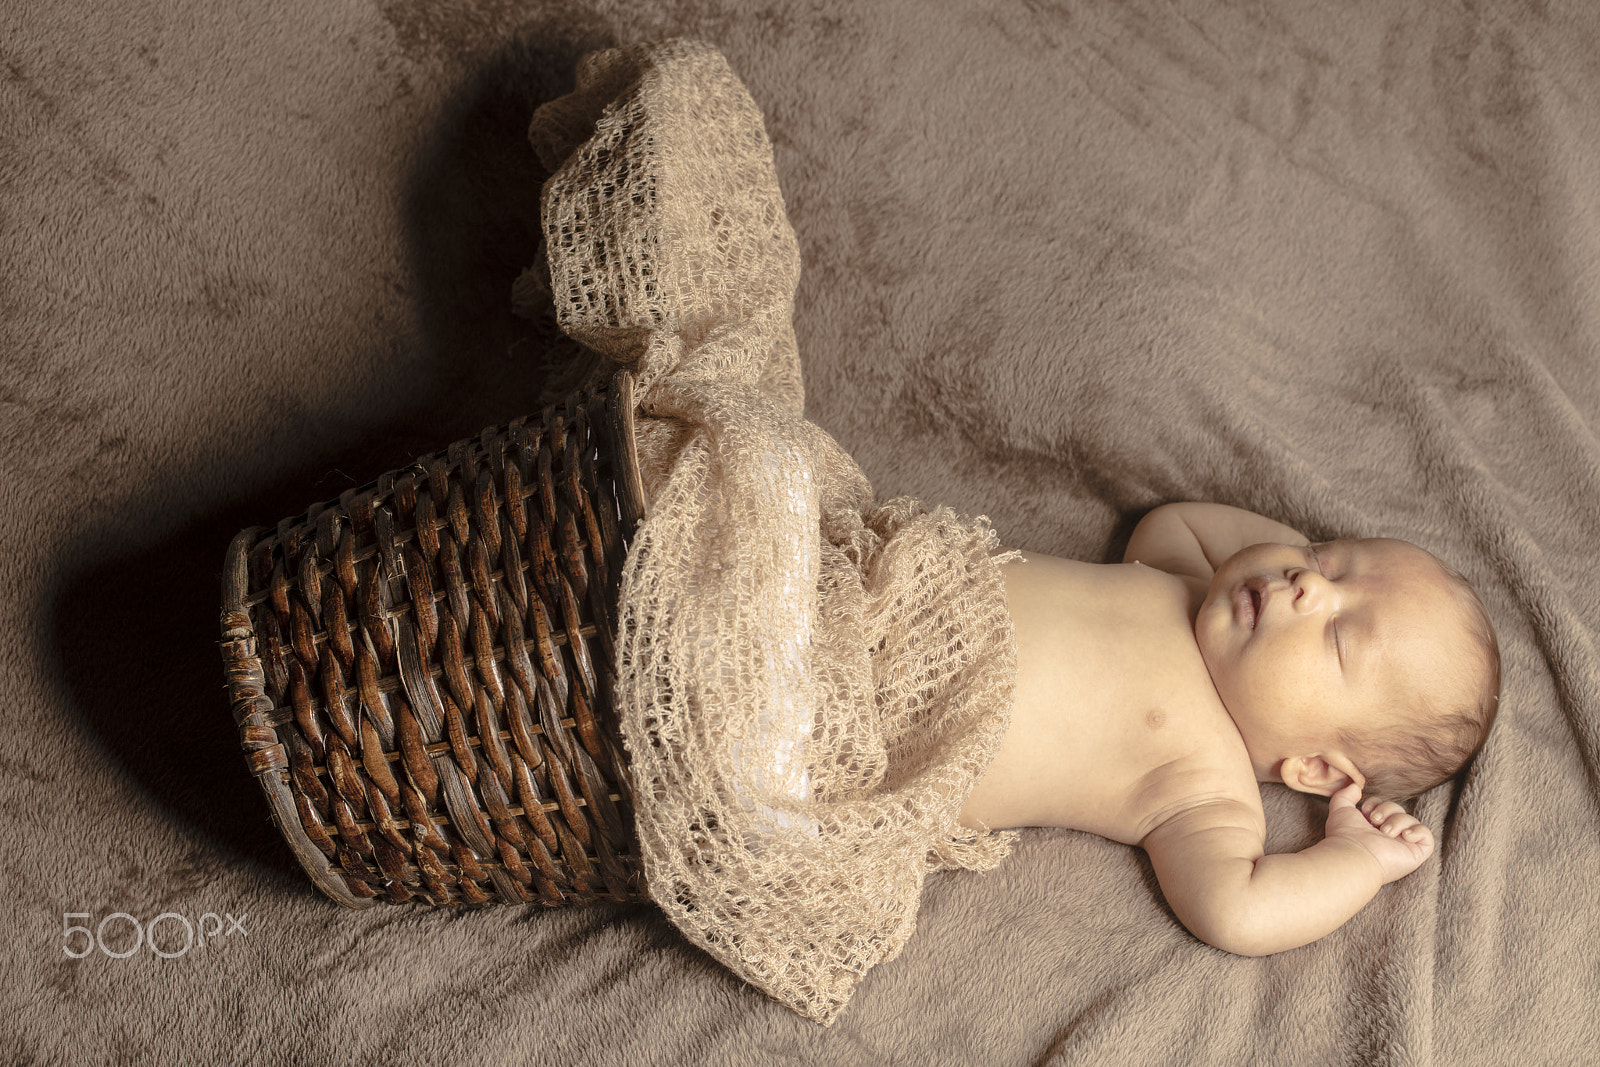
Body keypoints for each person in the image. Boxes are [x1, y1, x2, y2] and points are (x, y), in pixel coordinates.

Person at [962, 501, 1500, 956]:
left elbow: (1237, 912)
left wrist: (1358, 860)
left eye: (1338, 635)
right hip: (897, 583)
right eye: (1328, 560)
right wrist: (1292, 552)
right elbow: (1174, 522)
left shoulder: (1205, 788)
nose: (1308, 583)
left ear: (1313, 766)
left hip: (899, 728)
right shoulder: (1191, 582)